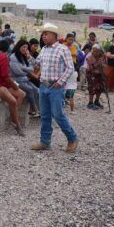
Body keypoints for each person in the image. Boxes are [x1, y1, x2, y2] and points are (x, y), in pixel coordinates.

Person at [31, 23, 78, 153]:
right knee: (45, 115)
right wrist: (28, 55)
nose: (43, 36)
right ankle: (45, 142)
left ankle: (72, 138)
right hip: (43, 86)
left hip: (56, 88)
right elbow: (37, 63)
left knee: (58, 114)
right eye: (43, 34)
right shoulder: (44, 50)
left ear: (54, 35)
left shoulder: (63, 49)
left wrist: (60, 81)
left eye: (46, 34)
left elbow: (70, 68)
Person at [10, 39, 40, 118]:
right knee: (29, 89)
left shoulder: (22, 57)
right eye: (23, 47)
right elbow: (17, 72)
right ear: (19, 47)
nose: (25, 49)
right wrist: (25, 70)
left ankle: (40, 110)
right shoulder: (13, 57)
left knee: (37, 90)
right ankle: (33, 110)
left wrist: (23, 68)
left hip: (24, 79)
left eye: (26, 48)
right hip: (15, 80)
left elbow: (32, 68)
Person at [85, 45, 106, 110]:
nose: (94, 53)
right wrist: (98, 64)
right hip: (91, 75)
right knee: (92, 88)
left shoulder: (102, 57)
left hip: (100, 74)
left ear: (100, 52)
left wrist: (102, 65)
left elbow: (105, 65)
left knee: (100, 88)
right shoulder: (89, 58)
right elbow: (91, 67)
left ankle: (97, 101)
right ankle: (90, 103)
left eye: (96, 51)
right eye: (93, 51)